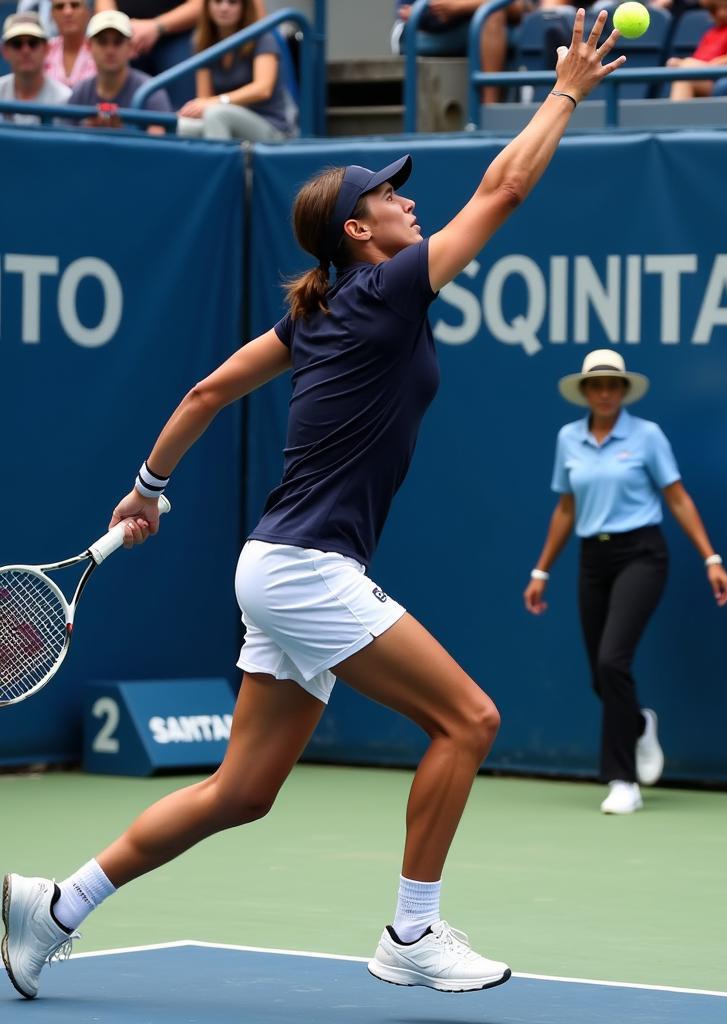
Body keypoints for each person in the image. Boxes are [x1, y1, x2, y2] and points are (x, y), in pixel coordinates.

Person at [1, 9, 624, 1003]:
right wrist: (565, 92)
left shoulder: (319, 313)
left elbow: (206, 393)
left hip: (277, 562)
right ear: (355, 231)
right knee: (468, 719)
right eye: (389, 198)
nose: (408, 207)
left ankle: (54, 907)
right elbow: (504, 188)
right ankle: (410, 931)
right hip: (304, 568)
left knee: (242, 790)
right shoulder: (380, 297)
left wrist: (149, 488)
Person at [524, 350, 727, 815]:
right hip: (591, 559)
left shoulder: (647, 436)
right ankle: (638, 725)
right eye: (595, 386)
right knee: (602, 673)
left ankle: (624, 780)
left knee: (613, 661)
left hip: (641, 554)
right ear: (584, 392)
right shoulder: (568, 439)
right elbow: (565, 508)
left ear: (623, 391)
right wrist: (542, 570)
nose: (603, 393)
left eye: (612, 385)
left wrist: (711, 558)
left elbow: (677, 499)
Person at [177, 0, 296, 142]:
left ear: (244, 8)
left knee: (217, 114)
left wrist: (219, 101)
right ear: (207, 6)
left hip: (272, 127)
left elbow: (263, 89)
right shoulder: (202, 41)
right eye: (217, 1)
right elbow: (204, 99)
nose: (224, 8)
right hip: (223, 118)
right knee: (182, 126)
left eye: (232, 2)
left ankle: (221, 164)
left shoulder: (263, 37)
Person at [392, 0, 528, 104]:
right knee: (492, 15)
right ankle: (488, 109)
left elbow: (518, 8)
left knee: (493, 16)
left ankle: (489, 109)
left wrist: (460, 6)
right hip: (424, 34)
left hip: (480, 28)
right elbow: (413, 13)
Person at [67, 10, 172, 133]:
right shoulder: (80, 92)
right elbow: (65, 145)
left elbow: (159, 146)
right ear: (89, 46)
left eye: (117, 42)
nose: (110, 50)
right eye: (102, 41)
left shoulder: (152, 93)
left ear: (130, 46)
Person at [93, 0, 203, 107]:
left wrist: (157, 26)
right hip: (124, 37)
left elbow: (200, 5)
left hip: (177, 36)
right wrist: (116, 28)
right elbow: (104, 4)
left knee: (183, 106)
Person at [667, 0, 727, 101]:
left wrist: (712, 65)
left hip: (715, 79)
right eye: (715, 10)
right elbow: (698, 58)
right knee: (682, 70)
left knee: (685, 70)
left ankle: (676, 115)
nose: (721, 13)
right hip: (702, 73)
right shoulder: (710, 32)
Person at [0, 12, 71, 124]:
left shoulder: (65, 99)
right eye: (17, 44)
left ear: (47, 48)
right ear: (4, 51)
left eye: (33, 43)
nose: (26, 50)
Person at [44, 0, 98, 89]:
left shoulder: (102, 50)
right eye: (60, 6)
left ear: (88, 12)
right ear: (51, 15)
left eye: (75, 5)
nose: (67, 12)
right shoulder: (40, 50)